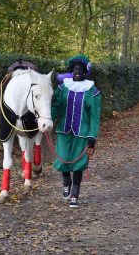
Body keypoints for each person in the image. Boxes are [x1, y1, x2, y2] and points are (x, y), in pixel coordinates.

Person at [51, 54, 101, 208]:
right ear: (72, 70)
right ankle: (66, 181)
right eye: (75, 68)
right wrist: (47, 119)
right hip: (64, 131)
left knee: (78, 163)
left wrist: (92, 136)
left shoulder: (92, 92)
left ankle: (75, 194)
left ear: (85, 71)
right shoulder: (62, 88)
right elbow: (56, 108)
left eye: (80, 68)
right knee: (63, 159)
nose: (77, 71)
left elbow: (94, 116)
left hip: (82, 133)